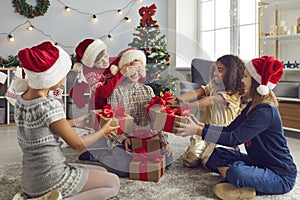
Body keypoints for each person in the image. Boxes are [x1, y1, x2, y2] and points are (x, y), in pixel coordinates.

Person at [174, 55, 297, 199]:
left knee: (236, 173)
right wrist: (200, 125)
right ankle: (244, 179)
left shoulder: (265, 111)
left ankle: (242, 182)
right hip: (257, 161)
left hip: (280, 175)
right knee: (217, 154)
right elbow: (228, 129)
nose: (241, 80)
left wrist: (198, 131)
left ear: (257, 82)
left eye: (245, 76)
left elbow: (234, 139)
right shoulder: (252, 106)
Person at [12, 41, 120, 200]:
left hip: (32, 179)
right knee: (113, 183)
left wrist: (75, 122)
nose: (63, 80)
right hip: (51, 178)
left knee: (103, 172)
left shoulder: (22, 100)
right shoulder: (49, 105)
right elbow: (76, 144)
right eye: (62, 74)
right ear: (51, 77)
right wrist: (103, 131)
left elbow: (44, 127)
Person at [78, 49, 172, 176]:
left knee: (167, 160)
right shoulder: (116, 92)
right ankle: (99, 154)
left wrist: (162, 140)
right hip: (125, 138)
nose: (136, 72)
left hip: (145, 137)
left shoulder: (148, 90)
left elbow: (156, 119)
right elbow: (111, 123)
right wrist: (122, 140)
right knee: (122, 168)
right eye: (131, 69)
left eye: (139, 68)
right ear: (124, 70)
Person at [175, 55, 245, 168]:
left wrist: (187, 106)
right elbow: (197, 92)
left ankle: (231, 148)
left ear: (231, 73)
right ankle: (202, 146)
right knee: (190, 160)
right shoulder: (212, 85)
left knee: (207, 162)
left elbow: (211, 99)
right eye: (215, 69)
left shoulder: (235, 93)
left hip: (223, 133)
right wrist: (178, 100)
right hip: (205, 130)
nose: (215, 73)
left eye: (220, 70)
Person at [70, 39, 146, 110]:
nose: (106, 61)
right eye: (100, 62)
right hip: (100, 108)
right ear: (92, 64)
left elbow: (135, 82)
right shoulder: (90, 72)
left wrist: (142, 75)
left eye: (106, 56)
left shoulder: (113, 61)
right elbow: (103, 93)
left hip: (120, 104)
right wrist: (121, 74)